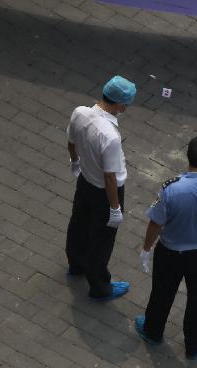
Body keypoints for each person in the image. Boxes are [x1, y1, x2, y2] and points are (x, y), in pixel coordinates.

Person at [135, 136, 197, 359]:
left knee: (162, 293)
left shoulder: (171, 189)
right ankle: (196, 343)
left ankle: (153, 331)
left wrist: (146, 248)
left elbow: (156, 222)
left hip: (170, 253)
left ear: (188, 156)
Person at [65, 75, 136, 300]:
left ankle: (76, 264)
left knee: (79, 224)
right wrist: (114, 208)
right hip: (105, 193)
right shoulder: (110, 136)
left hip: (85, 180)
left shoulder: (80, 113)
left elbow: (71, 140)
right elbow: (110, 178)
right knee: (102, 240)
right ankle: (99, 286)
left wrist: (75, 161)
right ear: (120, 104)